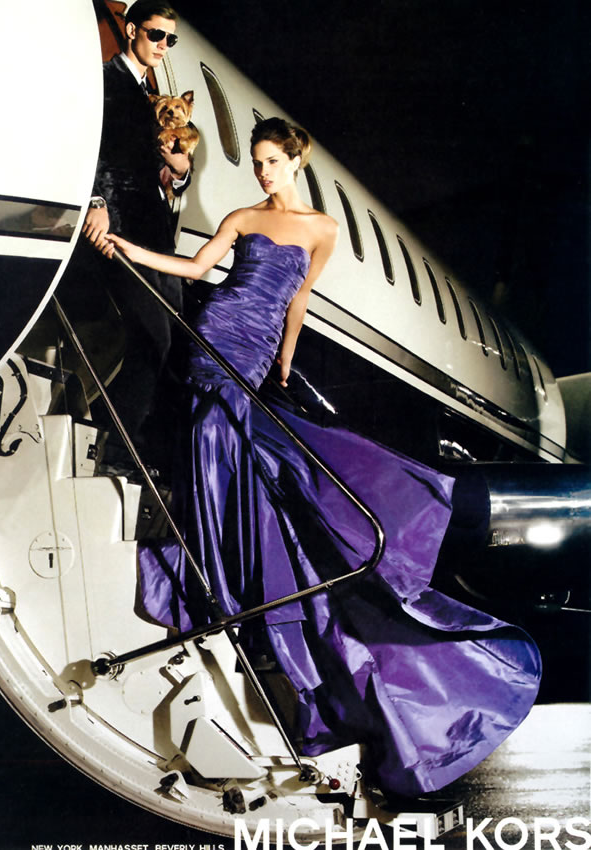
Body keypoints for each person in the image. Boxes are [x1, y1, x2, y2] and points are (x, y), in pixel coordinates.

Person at [99, 118, 541, 799]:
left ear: (295, 161)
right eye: (256, 162)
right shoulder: (243, 218)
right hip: (219, 332)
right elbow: (196, 269)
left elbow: (299, 299)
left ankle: (235, 582)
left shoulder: (322, 230)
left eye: (272, 161)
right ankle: (225, 580)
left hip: (255, 349)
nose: (262, 172)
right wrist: (127, 248)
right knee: (215, 447)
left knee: (259, 456)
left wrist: (283, 362)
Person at [59, 0, 190, 470]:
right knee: (151, 336)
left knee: (165, 337)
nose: (163, 45)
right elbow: (88, 142)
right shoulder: (106, 80)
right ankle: (112, 449)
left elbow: (153, 165)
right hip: (119, 226)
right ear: (132, 30)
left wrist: (180, 171)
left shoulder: (149, 96)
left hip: (154, 231)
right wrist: (95, 201)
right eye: (156, 34)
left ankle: (114, 444)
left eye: (170, 39)